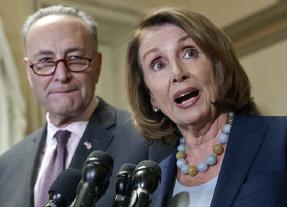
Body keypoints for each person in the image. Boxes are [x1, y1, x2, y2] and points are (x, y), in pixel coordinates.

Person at [0, 5, 169, 207]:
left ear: (97, 65)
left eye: (75, 58)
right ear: (29, 71)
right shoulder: (7, 165)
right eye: (45, 61)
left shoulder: (148, 138)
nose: (61, 76)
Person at [126, 7, 287, 207]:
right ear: (150, 96)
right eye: (158, 64)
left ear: (218, 64)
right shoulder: (151, 185)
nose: (177, 72)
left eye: (189, 53)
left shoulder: (282, 139)